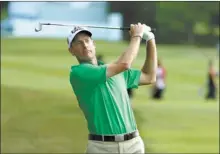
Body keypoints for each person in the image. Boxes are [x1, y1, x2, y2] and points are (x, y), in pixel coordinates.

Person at [68, 23, 157, 153]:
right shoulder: (79, 73)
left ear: (94, 44)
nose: (85, 45)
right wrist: (137, 35)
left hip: (133, 144)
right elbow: (125, 64)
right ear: (71, 50)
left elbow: (149, 76)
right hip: (102, 147)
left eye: (87, 41)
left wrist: (150, 40)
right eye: (78, 43)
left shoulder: (116, 71)